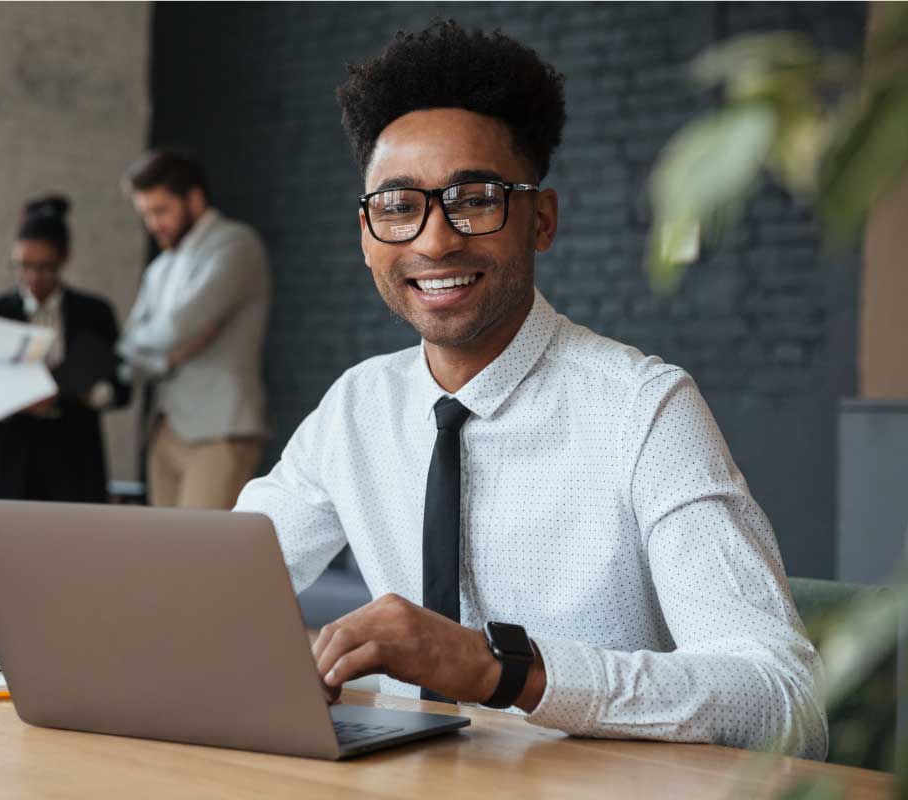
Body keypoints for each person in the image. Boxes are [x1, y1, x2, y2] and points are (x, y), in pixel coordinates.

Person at [234, 21, 828, 758]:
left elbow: (786, 702)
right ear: (366, 235)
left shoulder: (643, 410)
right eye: (398, 206)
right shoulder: (356, 407)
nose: (434, 240)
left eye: (475, 199)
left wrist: (502, 669)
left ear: (540, 221)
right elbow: (215, 589)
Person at [118, 151, 270, 509]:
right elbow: (126, 346)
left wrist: (157, 338)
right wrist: (166, 360)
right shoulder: (160, 267)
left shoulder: (236, 244)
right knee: (163, 546)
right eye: (145, 214)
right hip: (165, 429)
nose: (153, 224)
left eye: (161, 210)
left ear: (195, 199)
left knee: (201, 545)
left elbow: (178, 328)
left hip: (221, 431)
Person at [0, 195, 130, 504]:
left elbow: (122, 387)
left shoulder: (94, 313)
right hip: (9, 462)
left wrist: (90, 394)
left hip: (74, 459)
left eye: (44, 267)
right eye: (22, 266)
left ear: (64, 258)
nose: (32, 277)